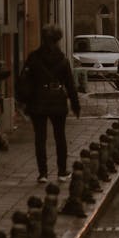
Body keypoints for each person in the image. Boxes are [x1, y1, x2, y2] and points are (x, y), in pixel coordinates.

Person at [20, 24, 80, 184]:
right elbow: (70, 84)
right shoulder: (62, 59)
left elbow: (24, 81)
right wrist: (75, 105)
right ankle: (61, 171)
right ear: (58, 40)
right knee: (60, 137)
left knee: (40, 138)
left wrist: (25, 101)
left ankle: (43, 174)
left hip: (37, 102)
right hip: (57, 101)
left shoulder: (33, 57)